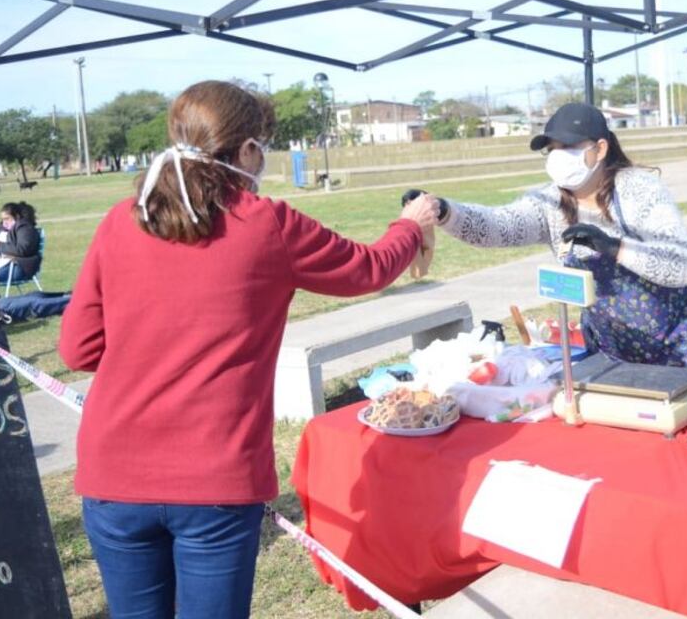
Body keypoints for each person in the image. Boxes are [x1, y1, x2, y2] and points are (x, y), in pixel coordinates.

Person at [58, 80, 438, 619]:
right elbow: (369, 268)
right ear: (248, 150)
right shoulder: (266, 223)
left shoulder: (122, 220)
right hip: (214, 481)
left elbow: (77, 349)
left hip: (113, 475)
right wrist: (410, 225)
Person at [406, 102, 687, 386]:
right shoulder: (550, 203)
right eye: (552, 149)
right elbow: (497, 227)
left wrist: (616, 248)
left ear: (600, 149)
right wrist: (444, 211)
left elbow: (683, 266)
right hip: (616, 351)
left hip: (684, 344)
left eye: (569, 147)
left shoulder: (639, 190)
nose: (559, 156)